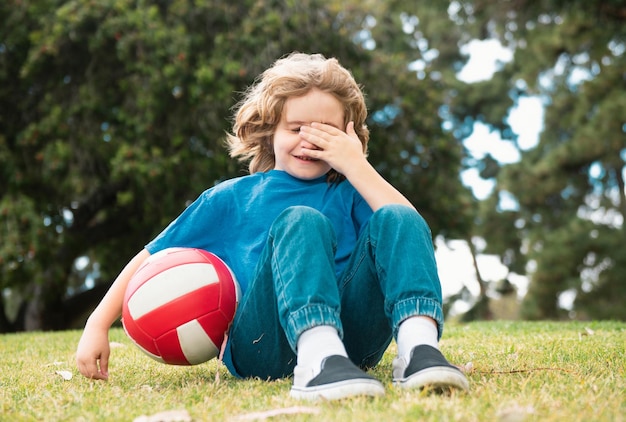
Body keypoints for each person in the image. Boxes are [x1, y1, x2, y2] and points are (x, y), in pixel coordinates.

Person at [76, 52, 469, 401]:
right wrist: (97, 323)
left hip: (355, 345)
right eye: (296, 128)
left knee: (399, 215)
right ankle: (316, 358)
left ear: (349, 135)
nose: (308, 142)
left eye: (325, 132)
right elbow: (150, 258)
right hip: (262, 344)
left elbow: (409, 231)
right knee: (301, 221)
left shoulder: (354, 190)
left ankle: (419, 350)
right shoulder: (231, 198)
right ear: (270, 132)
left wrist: (357, 166)